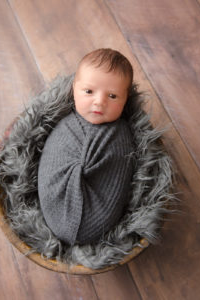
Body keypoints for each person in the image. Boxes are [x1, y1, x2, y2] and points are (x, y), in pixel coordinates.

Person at [38, 48, 135, 246]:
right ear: (74, 89)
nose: (99, 102)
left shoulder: (121, 134)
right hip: (55, 201)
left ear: (126, 100)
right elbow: (53, 156)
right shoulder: (65, 124)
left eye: (113, 96)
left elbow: (118, 170)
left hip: (95, 216)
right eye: (89, 91)